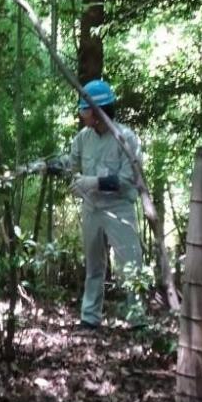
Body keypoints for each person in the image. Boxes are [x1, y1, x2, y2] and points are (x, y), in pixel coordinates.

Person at [53, 79, 145, 330]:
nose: (82, 114)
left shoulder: (125, 138)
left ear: (98, 110)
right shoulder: (83, 138)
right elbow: (70, 163)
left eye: (85, 109)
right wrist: (51, 166)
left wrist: (92, 182)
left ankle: (137, 319)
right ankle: (90, 318)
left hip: (119, 210)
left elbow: (129, 181)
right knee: (94, 266)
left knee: (130, 265)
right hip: (92, 209)